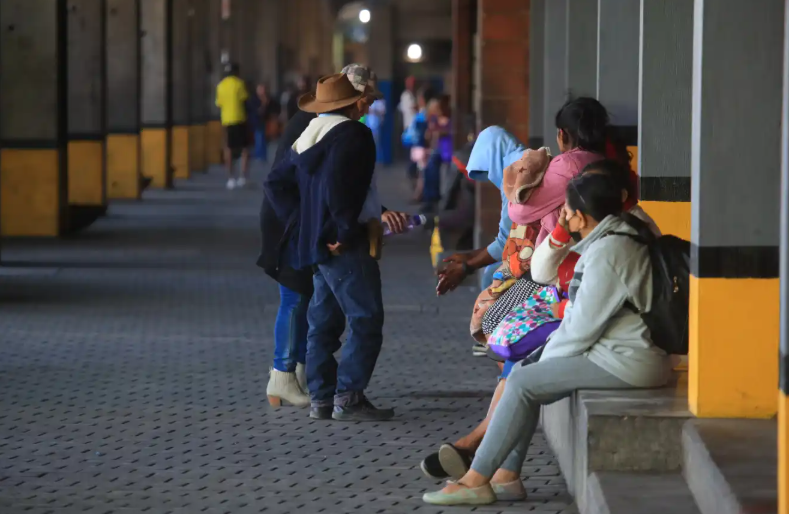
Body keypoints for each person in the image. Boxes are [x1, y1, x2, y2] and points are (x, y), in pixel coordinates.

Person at [422, 173, 673, 506]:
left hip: (629, 360)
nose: (563, 217)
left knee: (524, 380)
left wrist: (538, 360)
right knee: (526, 377)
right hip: (619, 351)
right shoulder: (614, 238)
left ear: (581, 216)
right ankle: (505, 476)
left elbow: (579, 329)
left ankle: (475, 479)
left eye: (567, 211)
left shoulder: (610, 251)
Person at [258, 65, 407, 410]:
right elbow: (341, 192)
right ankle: (348, 395)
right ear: (354, 104)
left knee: (323, 321)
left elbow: (275, 184)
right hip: (344, 243)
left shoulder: (310, 131)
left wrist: (304, 224)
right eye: (364, 101)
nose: (367, 107)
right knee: (365, 317)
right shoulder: (354, 135)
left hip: (314, 244)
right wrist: (340, 231)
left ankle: (322, 397)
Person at [216, 63, 251, 190]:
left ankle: (231, 178)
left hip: (226, 121)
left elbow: (219, 104)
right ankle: (243, 177)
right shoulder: (240, 84)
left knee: (228, 148)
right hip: (240, 119)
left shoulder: (220, 86)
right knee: (244, 149)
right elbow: (244, 100)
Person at [399, 76, 419, 184]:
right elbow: (413, 108)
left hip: (416, 128)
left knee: (416, 153)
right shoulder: (406, 96)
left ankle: (414, 173)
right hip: (409, 129)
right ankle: (411, 173)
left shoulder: (414, 95)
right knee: (411, 153)